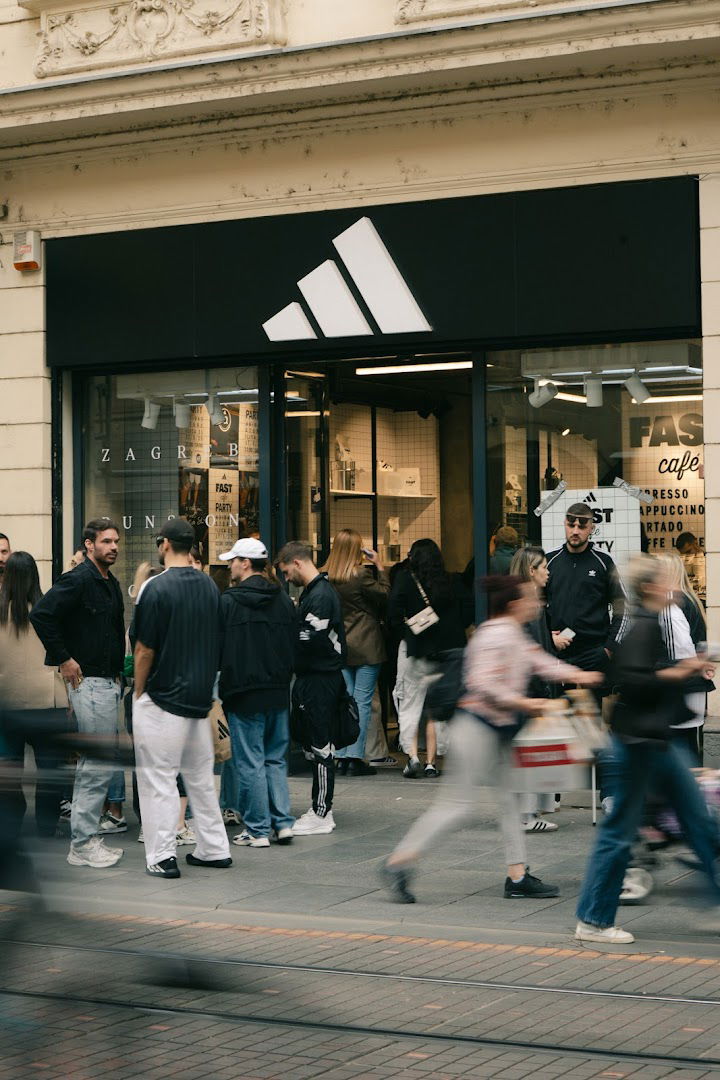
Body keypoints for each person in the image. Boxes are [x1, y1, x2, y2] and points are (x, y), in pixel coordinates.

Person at [381, 575, 601, 904]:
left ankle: (517, 876)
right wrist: (525, 703)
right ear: (514, 605)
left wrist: (578, 675)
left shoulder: (513, 633)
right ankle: (398, 863)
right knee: (457, 806)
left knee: (511, 801)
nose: (537, 604)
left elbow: (541, 663)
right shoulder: (494, 635)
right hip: (476, 728)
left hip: (496, 730)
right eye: (531, 598)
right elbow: (482, 684)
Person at [575, 555, 717, 944]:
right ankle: (594, 920)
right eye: (666, 580)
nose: (673, 586)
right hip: (638, 744)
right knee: (619, 834)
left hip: (657, 740)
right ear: (652, 588)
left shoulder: (651, 622)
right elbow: (635, 683)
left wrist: (686, 668)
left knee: (697, 821)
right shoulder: (642, 626)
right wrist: (686, 669)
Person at [132, 518, 232, 878]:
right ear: (191, 546)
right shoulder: (209, 585)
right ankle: (214, 847)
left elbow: (144, 648)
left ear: (163, 544)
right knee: (201, 777)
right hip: (199, 698)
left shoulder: (154, 589)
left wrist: (139, 691)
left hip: (162, 698)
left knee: (158, 779)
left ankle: (162, 855)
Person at [30, 518, 126, 869]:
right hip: (90, 683)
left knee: (98, 761)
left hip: (107, 683)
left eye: (116, 541)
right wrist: (64, 659)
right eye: (106, 541)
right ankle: (82, 843)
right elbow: (41, 615)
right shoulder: (79, 579)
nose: (113, 546)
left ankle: (85, 839)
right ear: (89, 545)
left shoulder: (108, 582)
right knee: (96, 762)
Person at [218, 536, 296, 848]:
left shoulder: (228, 602)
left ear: (245, 563)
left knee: (249, 760)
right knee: (275, 758)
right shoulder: (283, 600)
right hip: (277, 690)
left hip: (243, 690)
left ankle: (258, 828)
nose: (229, 566)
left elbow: (218, 648)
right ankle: (283, 823)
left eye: (233, 561)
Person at [277, 540, 346, 836]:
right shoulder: (315, 593)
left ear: (296, 562)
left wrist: (289, 633)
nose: (286, 578)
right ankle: (320, 809)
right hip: (316, 678)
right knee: (316, 744)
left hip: (320, 679)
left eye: (286, 571)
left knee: (321, 746)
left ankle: (321, 812)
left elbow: (307, 638)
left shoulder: (320, 595)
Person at [389, 538, 473, 778]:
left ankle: (413, 756)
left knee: (410, 704)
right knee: (435, 707)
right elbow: (467, 611)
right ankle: (431, 763)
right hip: (443, 653)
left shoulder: (405, 580)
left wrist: (409, 630)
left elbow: (393, 615)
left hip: (415, 650)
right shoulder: (452, 580)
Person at [0, 552, 70, 837]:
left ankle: (13, 824)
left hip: (8, 703)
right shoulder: (48, 611)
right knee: (50, 770)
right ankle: (46, 826)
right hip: (47, 702)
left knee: (10, 772)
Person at [325, 529, 390, 777]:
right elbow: (384, 594)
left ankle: (341, 756)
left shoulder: (328, 576)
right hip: (367, 645)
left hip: (342, 645)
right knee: (362, 702)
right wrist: (379, 565)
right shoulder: (361, 574)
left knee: (346, 701)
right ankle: (355, 756)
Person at [509, 545, 561, 833]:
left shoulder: (523, 601)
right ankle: (527, 815)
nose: (548, 572)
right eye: (544, 567)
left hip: (525, 688)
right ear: (532, 570)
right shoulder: (529, 604)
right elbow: (532, 651)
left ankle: (526, 812)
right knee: (529, 753)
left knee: (526, 753)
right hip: (529, 690)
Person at [545, 503, 627, 672]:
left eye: (582, 526)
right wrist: (548, 638)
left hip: (594, 652)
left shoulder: (604, 561)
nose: (575, 531)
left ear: (591, 528)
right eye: (571, 525)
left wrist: (609, 648)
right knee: (559, 699)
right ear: (564, 524)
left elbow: (623, 607)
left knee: (591, 700)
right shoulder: (550, 560)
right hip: (559, 652)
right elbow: (537, 606)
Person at [657, 551, 710, 763]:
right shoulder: (691, 600)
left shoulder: (671, 604)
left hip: (683, 687)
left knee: (681, 750)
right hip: (695, 685)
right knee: (689, 745)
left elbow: (680, 652)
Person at [676, 532, 706, 599]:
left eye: (688, 552)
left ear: (696, 544)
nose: (686, 556)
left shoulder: (710, 561)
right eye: (682, 554)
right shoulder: (681, 561)